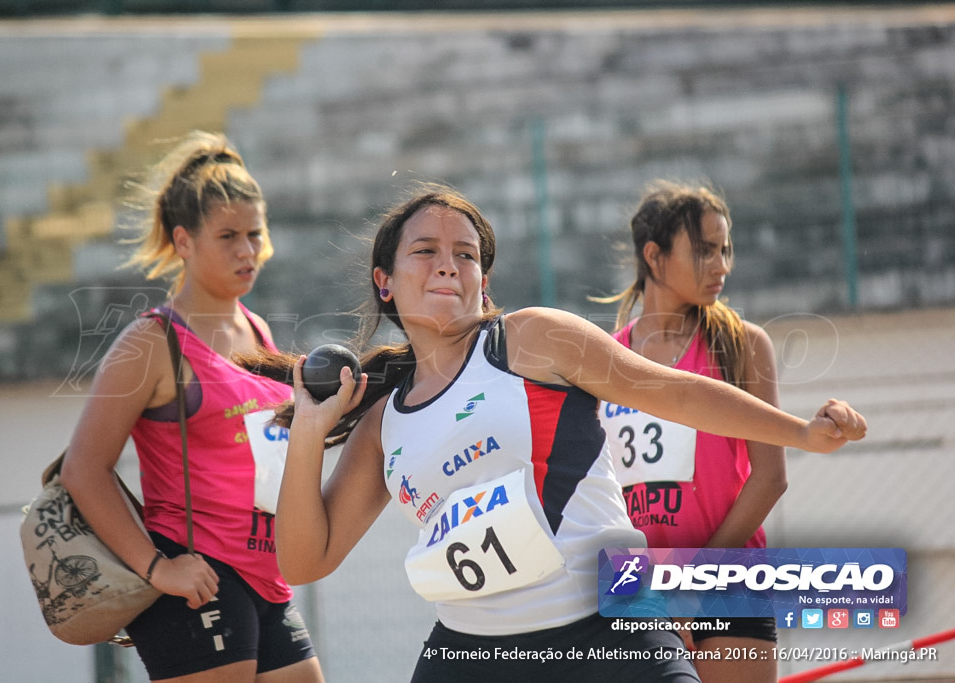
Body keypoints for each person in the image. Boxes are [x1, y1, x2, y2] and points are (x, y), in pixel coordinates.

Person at [245, 183, 865, 682]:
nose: (449, 265)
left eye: (467, 254)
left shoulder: (529, 339)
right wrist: (308, 432)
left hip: (610, 617)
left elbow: (675, 391)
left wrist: (801, 434)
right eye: (426, 250)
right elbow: (306, 558)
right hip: (473, 649)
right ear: (385, 280)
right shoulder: (384, 421)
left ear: (483, 280)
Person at [61, 132, 324, 683]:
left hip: (265, 574)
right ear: (183, 241)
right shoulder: (150, 341)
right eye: (227, 236)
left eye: (254, 234)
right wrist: (158, 569)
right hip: (196, 575)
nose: (247, 251)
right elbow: (83, 469)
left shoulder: (257, 328)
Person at [593, 180, 786, 683]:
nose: (721, 265)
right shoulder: (600, 361)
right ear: (653, 257)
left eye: (724, 250)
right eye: (703, 251)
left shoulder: (742, 345)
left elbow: (770, 479)